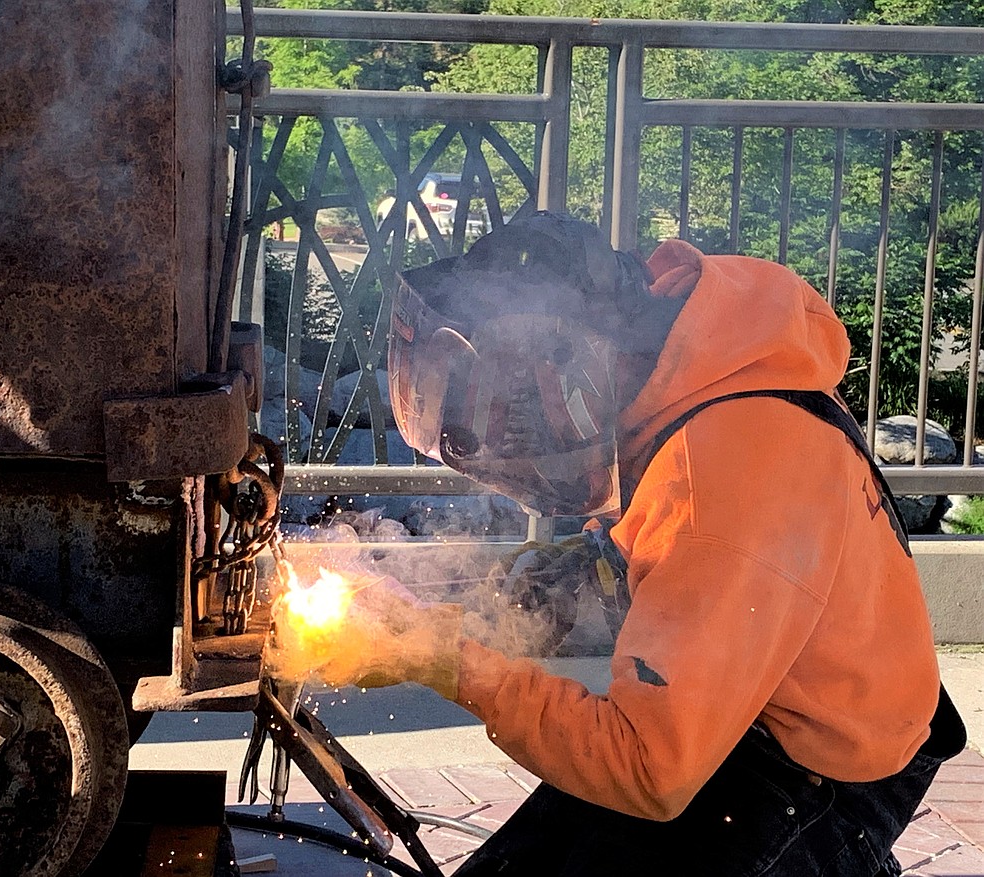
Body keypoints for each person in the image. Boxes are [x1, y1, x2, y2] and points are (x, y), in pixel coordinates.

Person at [268, 212, 966, 876]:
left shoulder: (722, 475)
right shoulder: (692, 355)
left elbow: (648, 768)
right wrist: (471, 602)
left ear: (558, 374)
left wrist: (449, 660)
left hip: (820, 767)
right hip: (738, 712)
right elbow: (644, 559)